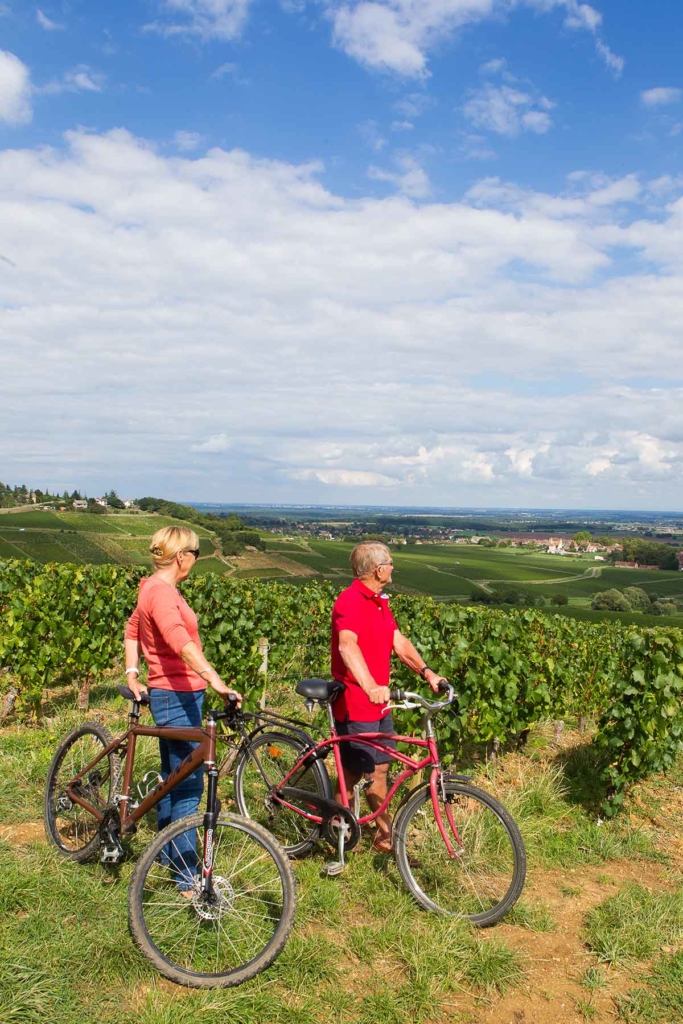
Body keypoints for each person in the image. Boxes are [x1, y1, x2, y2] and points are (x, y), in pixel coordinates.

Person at [124, 525, 241, 891]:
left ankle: (165, 849)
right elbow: (179, 641)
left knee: (172, 776)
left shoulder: (155, 588)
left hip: (180, 694)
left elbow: (131, 630)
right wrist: (215, 679)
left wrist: (133, 672)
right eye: (195, 553)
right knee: (189, 786)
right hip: (175, 696)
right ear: (181, 557)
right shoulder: (160, 593)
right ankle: (187, 876)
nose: (196, 559)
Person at [331, 541, 447, 853]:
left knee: (368, 769)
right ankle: (359, 836)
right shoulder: (351, 601)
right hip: (357, 701)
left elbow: (398, 641)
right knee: (365, 772)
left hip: (380, 703)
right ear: (379, 569)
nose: (393, 566)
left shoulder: (379, 602)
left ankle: (364, 829)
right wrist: (369, 685)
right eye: (390, 562)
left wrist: (427, 673)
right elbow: (347, 645)